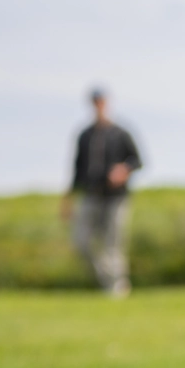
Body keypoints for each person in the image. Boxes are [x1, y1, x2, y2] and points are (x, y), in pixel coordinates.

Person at [63, 88, 142, 297]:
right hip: (91, 196)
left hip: (116, 198)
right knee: (81, 241)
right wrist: (68, 199)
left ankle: (117, 287)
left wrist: (123, 170)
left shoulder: (120, 133)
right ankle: (109, 278)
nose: (99, 105)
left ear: (107, 103)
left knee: (113, 243)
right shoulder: (85, 135)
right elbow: (76, 169)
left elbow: (137, 161)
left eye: (102, 101)